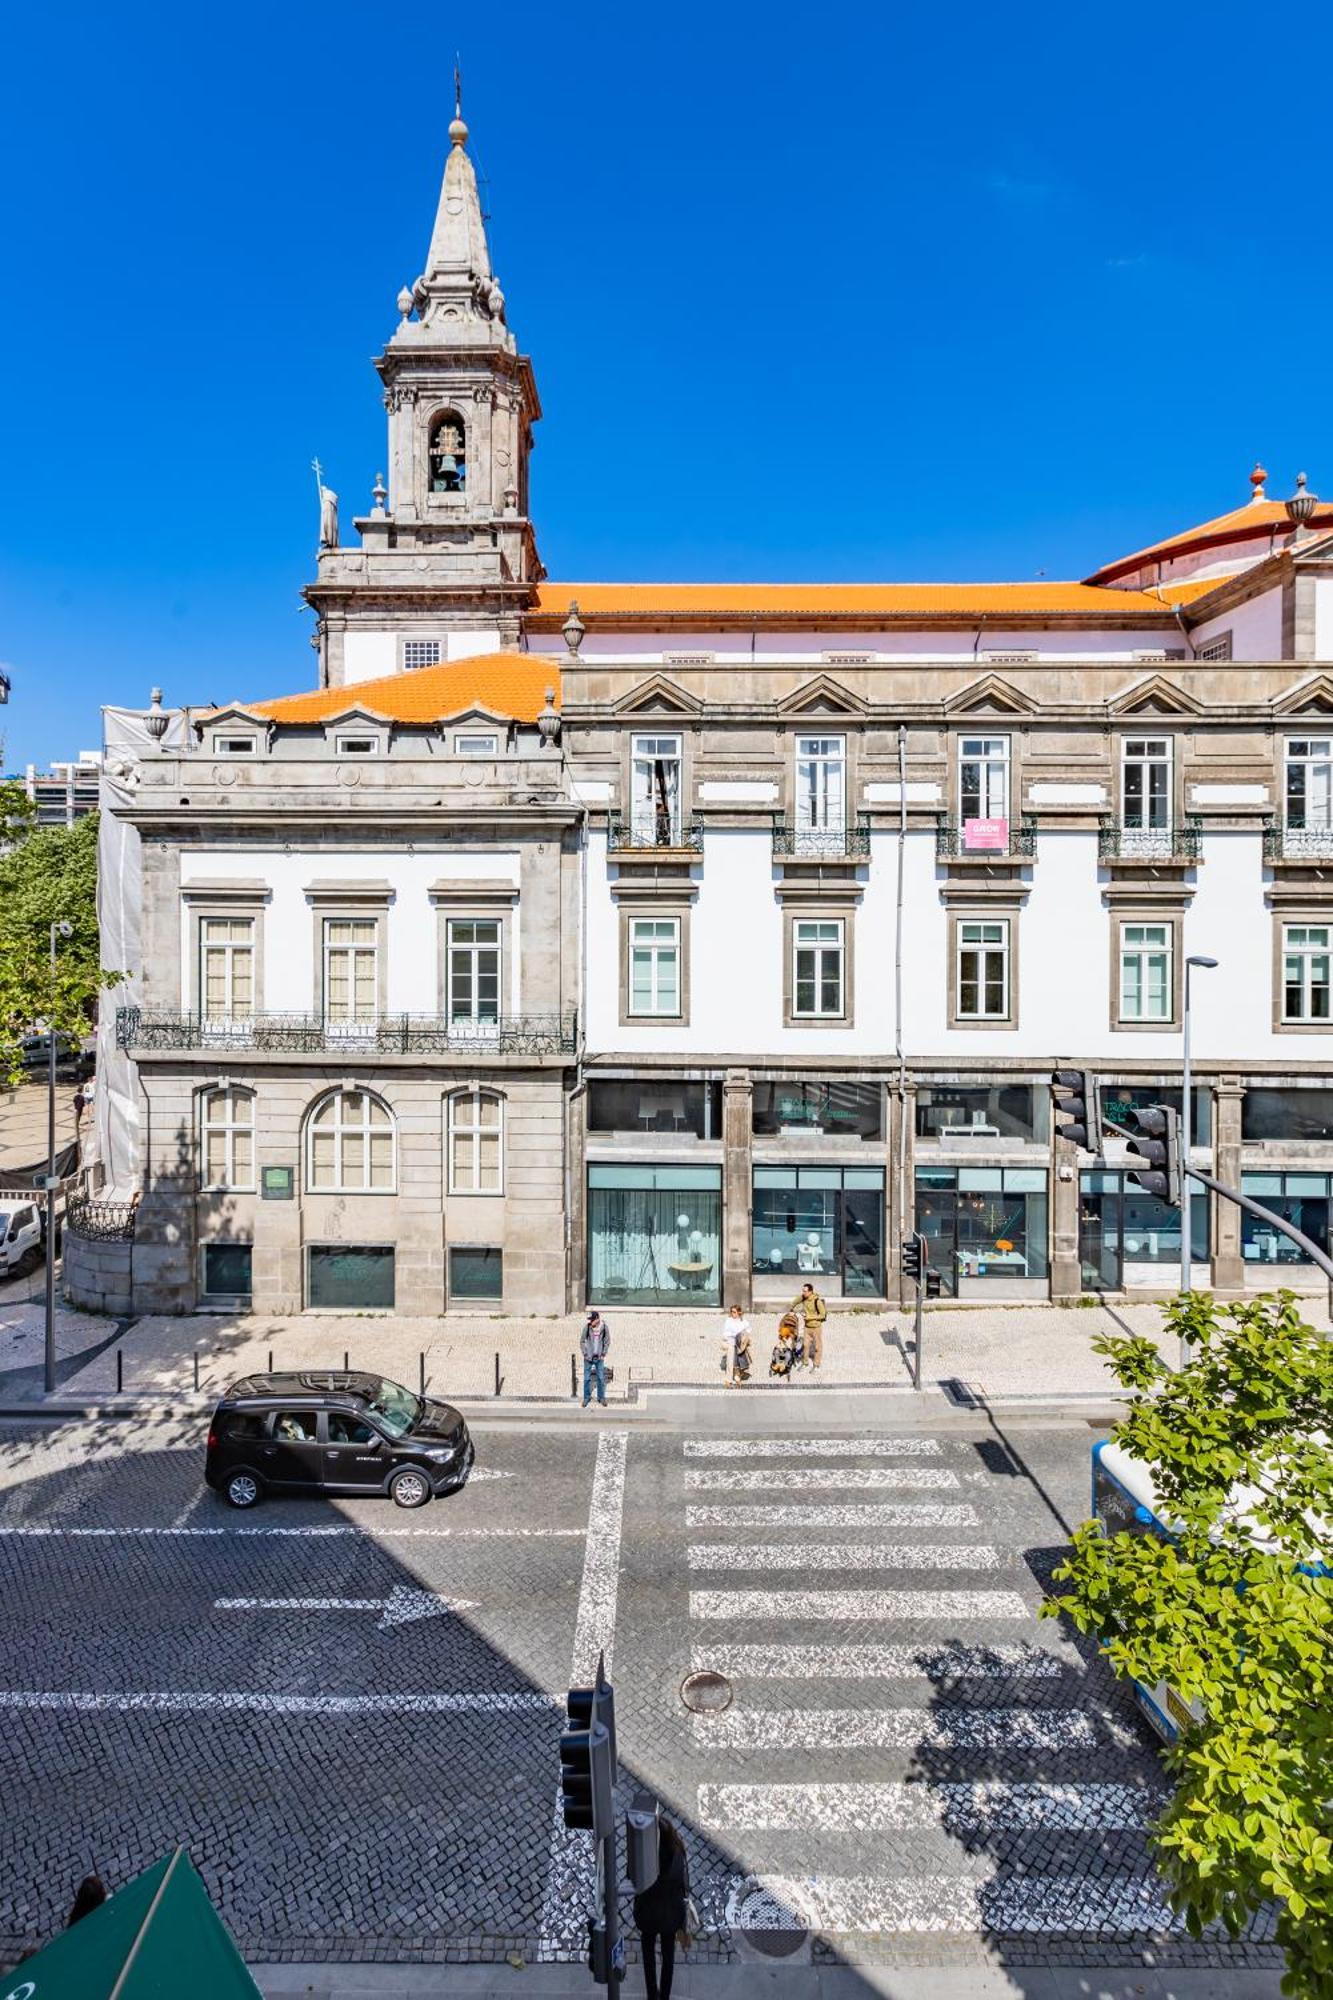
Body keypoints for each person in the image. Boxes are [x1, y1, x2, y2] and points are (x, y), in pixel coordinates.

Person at [634, 1815, 689, 2000]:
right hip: (670, 1915)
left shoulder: (647, 1858)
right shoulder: (678, 1851)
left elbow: (633, 1878)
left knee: (648, 1956)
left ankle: (652, 1993)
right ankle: (664, 1996)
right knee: (668, 1957)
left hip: (648, 1914)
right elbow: (684, 1884)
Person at [790, 1280, 827, 1370]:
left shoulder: (817, 1301)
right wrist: (791, 1309)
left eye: (805, 1291)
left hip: (816, 1327)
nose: (803, 1293)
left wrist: (809, 1317)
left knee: (818, 1346)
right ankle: (805, 1363)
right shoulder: (803, 1297)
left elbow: (823, 1315)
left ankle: (816, 1365)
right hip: (807, 1327)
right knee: (806, 1346)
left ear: (810, 1292)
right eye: (802, 1290)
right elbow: (795, 1301)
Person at [581, 1309, 610, 1408]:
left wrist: (603, 1353)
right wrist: (585, 1353)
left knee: (601, 1378)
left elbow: (607, 1341)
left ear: (597, 1319)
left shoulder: (604, 1327)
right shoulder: (587, 1327)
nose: (590, 1322)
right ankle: (586, 1397)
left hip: (599, 1358)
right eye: (590, 1320)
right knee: (586, 1379)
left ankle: (601, 1398)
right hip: (588, 1358)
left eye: (592, 1319)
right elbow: (582, 1341)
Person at [719, 1303, 751, 1386]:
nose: (732, 1313)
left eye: (734, 1312)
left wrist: (742, 1335)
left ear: (739, 1313)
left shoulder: (743, 1321)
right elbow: (725, 1333)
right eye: (731, 1312)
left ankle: (737, 1377)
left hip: (739, 1344)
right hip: (730, 1342)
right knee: (730, 1359)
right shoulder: (728, 1321)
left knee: (737, 1359)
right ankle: (729, 1379)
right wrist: (734, 1334)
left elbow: (748, 1330)